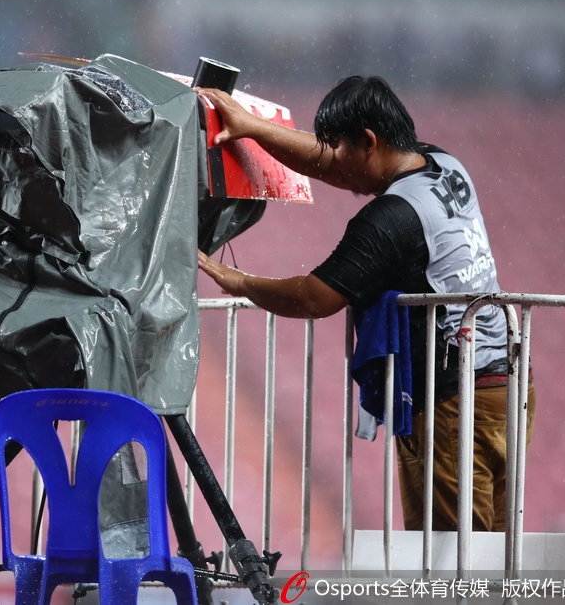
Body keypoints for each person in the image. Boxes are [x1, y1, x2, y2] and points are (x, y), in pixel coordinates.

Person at [194, 76, 536, 532]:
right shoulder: (443, 164)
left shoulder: (389, 219)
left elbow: (316, 297)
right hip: (508, 385)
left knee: (452, 557)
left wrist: (240, 281)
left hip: (455, 402)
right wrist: (252, 127)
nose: (331, 161)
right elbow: (330, 165)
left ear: (369, 142)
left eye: (339, 146)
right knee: (496, 548)